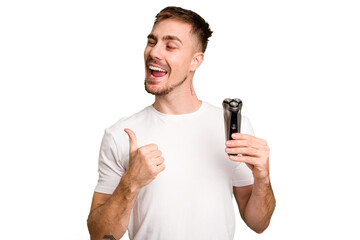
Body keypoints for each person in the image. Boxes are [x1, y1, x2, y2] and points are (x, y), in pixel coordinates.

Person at [87, 6, 275, 240]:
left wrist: (263, 178)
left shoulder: (233, 130)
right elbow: (99, 235)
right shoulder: (121, 135)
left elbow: (258, 223)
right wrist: (130, 184)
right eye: (151, 41)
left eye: (170, 45)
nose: (154, 52)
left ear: (195, 61)